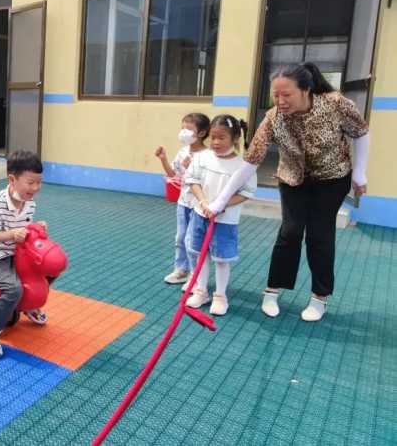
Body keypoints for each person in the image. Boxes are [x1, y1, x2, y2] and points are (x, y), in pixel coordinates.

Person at [207, 62, 370, 322]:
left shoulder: (335, 104)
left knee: (319, 235)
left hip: (332, 178)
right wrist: (221, 200)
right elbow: (250, 161)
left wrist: (360, 172)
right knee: (290, 231)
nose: (280, 101)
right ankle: (273, 291)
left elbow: (361, 133)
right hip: (292, 178)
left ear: (306, 90)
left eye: (287, 95)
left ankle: (319, 297)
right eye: (275, 95)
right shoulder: (273, 118)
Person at [0, 150, 47, 359]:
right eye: (31, 182)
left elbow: (24, 226)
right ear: (12, 179)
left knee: (44, 270)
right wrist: (12, 234)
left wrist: (36, 226)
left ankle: (28, 304)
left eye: (39, 183)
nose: (35, 188)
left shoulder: (29, 202)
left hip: (15, 251)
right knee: (13, 289)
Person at [184, 115, 256, 316]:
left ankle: (220, 296)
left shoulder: (242, 165)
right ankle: (201, 291)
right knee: (201, 255)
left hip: (225, 221)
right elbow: (192, 180)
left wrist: (222, 206)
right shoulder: (202, 157)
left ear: (234, 138)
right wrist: (204, 203)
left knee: (222, 259)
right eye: (212, 137)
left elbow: (246, 192)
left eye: (221, 138)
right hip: (201, 215)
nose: (215, 142)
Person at [155, 113, 210, 290]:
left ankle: (195, 275)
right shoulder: (183, 151)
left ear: (201, 133)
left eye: (189, 129)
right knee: (180, 237)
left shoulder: (207, 155)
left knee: (192, 240)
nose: (184, 132)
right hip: (183, 202)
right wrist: (163, 159)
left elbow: (205, 180)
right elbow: (173, 174)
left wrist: (189, 168)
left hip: (198, 205)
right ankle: (181, 269)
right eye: (183, 128)